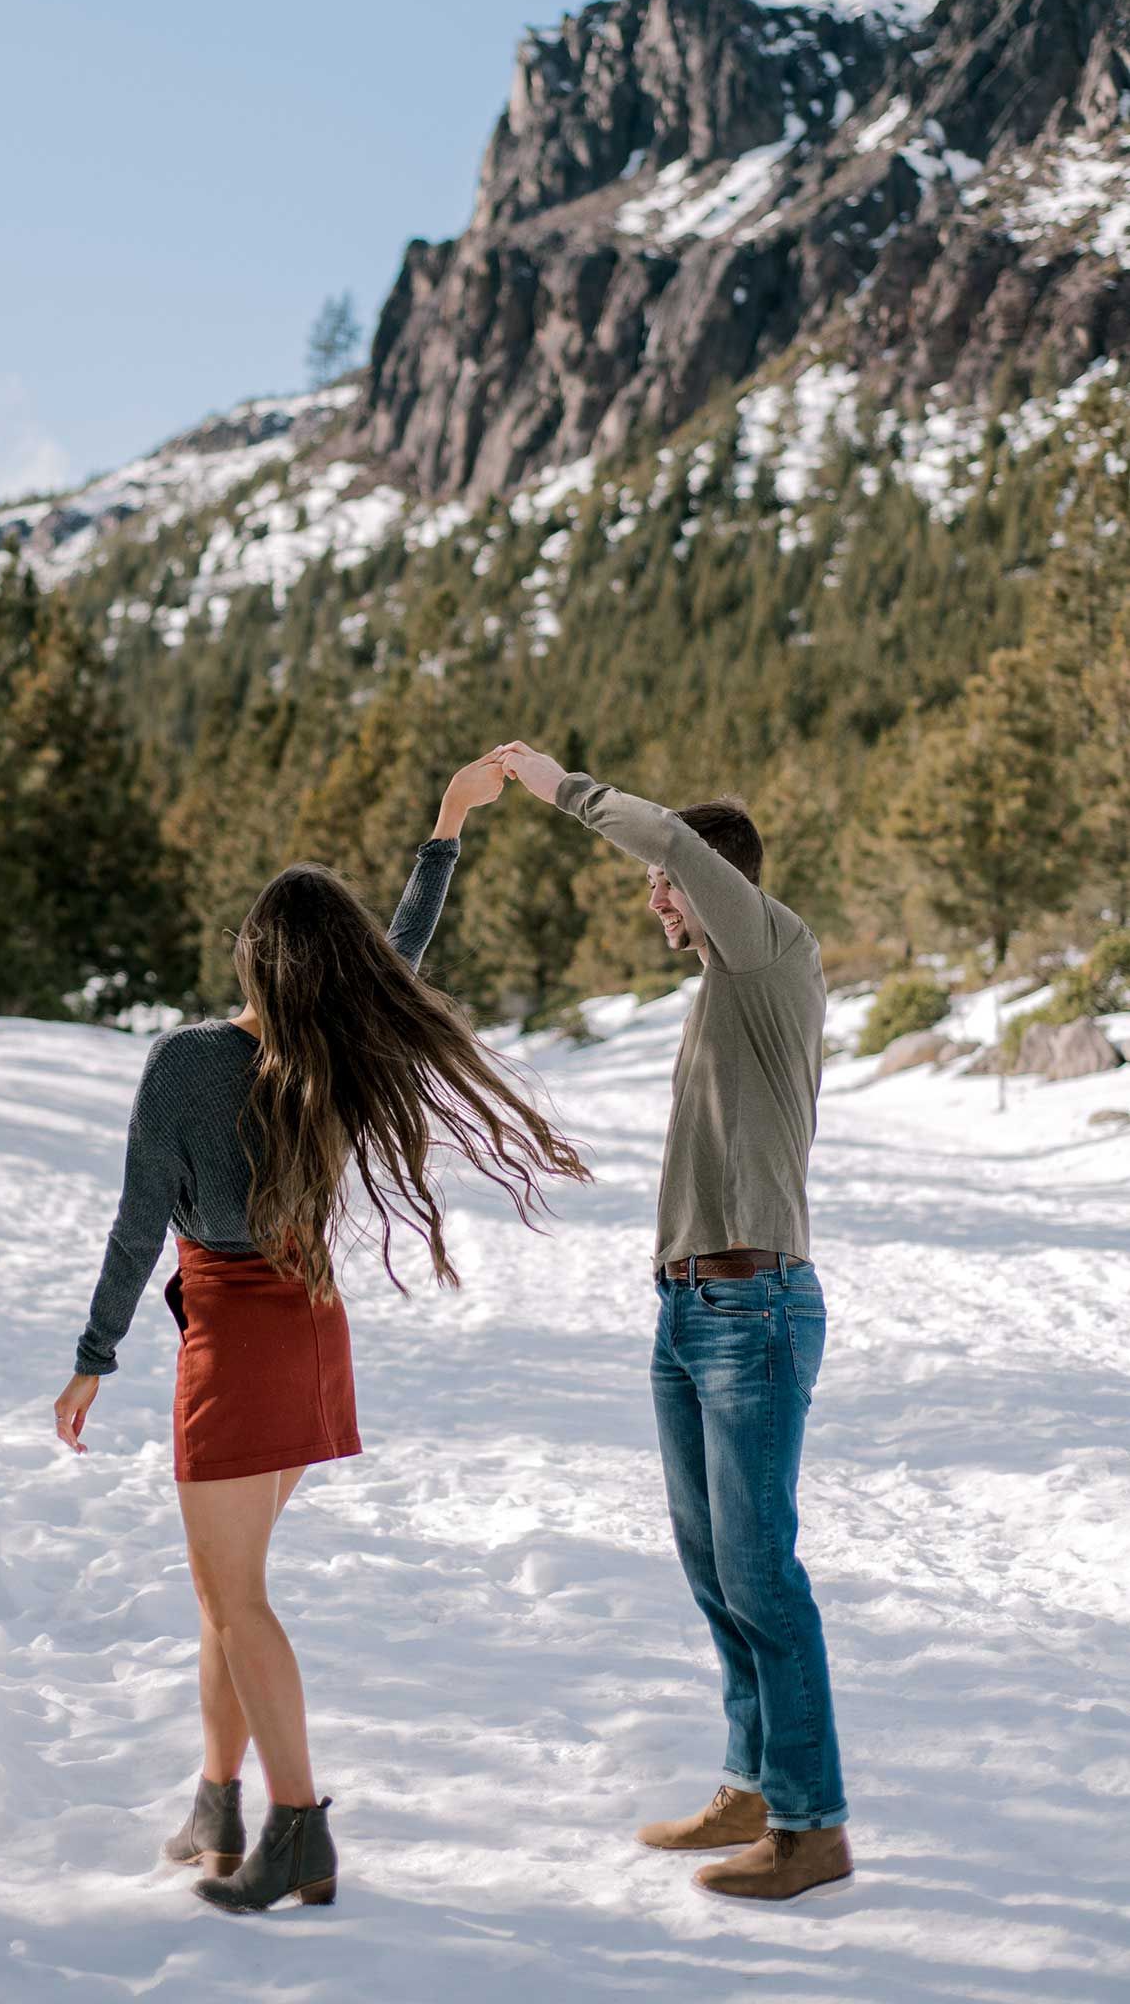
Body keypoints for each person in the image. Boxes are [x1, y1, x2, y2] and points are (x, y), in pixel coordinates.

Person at [53, 754, 590, 1913]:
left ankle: (297, 1828)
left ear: (251, 954)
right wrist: (443, 828)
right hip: (310, 1334)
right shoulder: (333, 1051)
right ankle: (217, 1802)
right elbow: (402, 953)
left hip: (235, 1351)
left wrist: (94, 1358)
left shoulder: (187, 1060)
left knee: (235, 1597)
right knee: (224, 1594)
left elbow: (136, 1225)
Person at [494, 742, 852, 1903]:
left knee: (761, 1573)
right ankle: (751, 1788)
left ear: (706, 885)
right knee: (714, 1569)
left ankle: (811, 1827)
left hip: (751, 1308)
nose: (653, 899)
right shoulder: (724, 984)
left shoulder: (766, 948)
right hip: (692, 1305)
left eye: (663, 886)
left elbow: (676, 847)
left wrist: (555, 784)